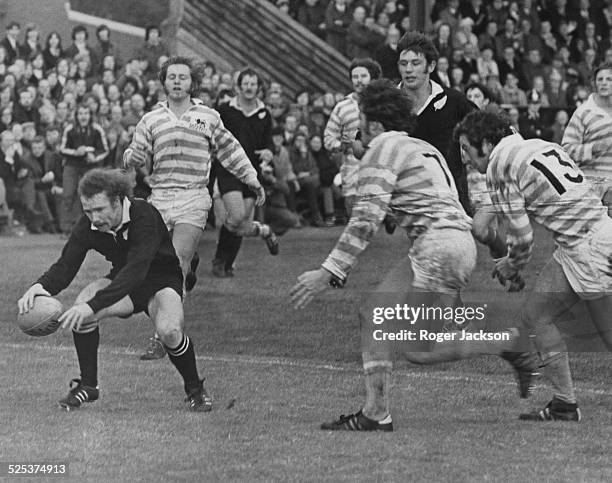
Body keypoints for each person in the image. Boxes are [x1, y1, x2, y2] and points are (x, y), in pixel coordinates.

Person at [291, 80, 539, 431]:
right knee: (373, 313)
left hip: (439, 246)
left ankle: (509, 341)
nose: (356, 125)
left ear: (374, 123)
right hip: (446, 243)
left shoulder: (381, 147)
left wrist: (328, 271)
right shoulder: (423, 146)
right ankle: (376, 412)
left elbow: (365, 220)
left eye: (360, 117)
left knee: (420, 349)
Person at [455, 110, 612, 421]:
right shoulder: (536, 145)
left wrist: (512, 266)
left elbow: (523, 237)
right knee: (536, 316)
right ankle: (565, 405)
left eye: (466, 148)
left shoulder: (500, 164)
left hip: (589, 250)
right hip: (584, 240)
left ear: (486, 144)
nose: (464, 157)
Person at [17, 169, 212, 412]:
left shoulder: (145, 215)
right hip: (124, 279)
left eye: (99, 210)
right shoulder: (88, 225)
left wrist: (92, 306)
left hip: (161, 280)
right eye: (88, 211)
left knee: (169, 331)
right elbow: (66, 265)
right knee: (83, 306)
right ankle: (89, 385)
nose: (94, 217)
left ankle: (195, 390)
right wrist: (39, 287)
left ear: (119, 201)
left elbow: (137, 271)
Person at [124, 57, 268, 358]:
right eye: (172, 77)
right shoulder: (151, 119)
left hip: (193, 196)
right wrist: (132, 159)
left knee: (176, 260)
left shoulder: (208, 116)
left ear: (193, 83)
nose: (177, 81)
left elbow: (230, 150)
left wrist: (252, 179)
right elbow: (134, 151)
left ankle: (162, 336)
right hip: (160, 197)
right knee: (152, 264)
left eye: (183, 77)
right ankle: (185, 276)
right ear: (164, 82)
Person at [396, 31, 476, 215]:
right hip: (409, 196)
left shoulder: (454, 100)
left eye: (415, 63)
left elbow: (483, 125)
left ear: (431, 66)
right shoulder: (389, 102)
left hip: (452, 195)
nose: (408, 69)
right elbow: (360, 145)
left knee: (475, 236)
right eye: (403, 63)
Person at [211, 67, 279, 278]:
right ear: (238, 87)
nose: (249, 87)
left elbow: (269, 141)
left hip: (252, 173)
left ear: (258, 88)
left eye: (253, 84)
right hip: (228, 169)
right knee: (237, 215)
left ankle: (228, 264)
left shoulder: (264, 113)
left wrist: (269, 151)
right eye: (246, 83)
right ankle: (219, 261)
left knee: (242, 226)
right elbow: (210, 132)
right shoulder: (224, 109)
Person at [324, 58, 381, 217]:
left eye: (363, 76)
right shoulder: (342, 107)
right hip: (351, 165)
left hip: (379, 163)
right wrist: (344, 145)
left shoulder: (382, 104)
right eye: (355, 77)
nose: (359, 80)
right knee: (352, 208)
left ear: (372, 78)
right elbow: (328, 138)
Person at [562, 62, 612, 208]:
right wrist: (592, 148)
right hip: (591, 185)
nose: (604, 83)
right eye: (600, 79)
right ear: (594, 83)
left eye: (609, 79)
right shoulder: (583, 112)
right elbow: (566, 150)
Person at [60, 104, 109, 236]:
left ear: (90, 115)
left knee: (89, 196)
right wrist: (76, 152)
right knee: (68, 195)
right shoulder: (69, 129)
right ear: (76, 116)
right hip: (72, 165)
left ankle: (91, 227)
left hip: (90, 167)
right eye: (80, 113)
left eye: (86, 113)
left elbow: (105, 149)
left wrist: (94, 157)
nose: (83, 116)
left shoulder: (97, 129)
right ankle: (66, 228)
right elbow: (62, 148)